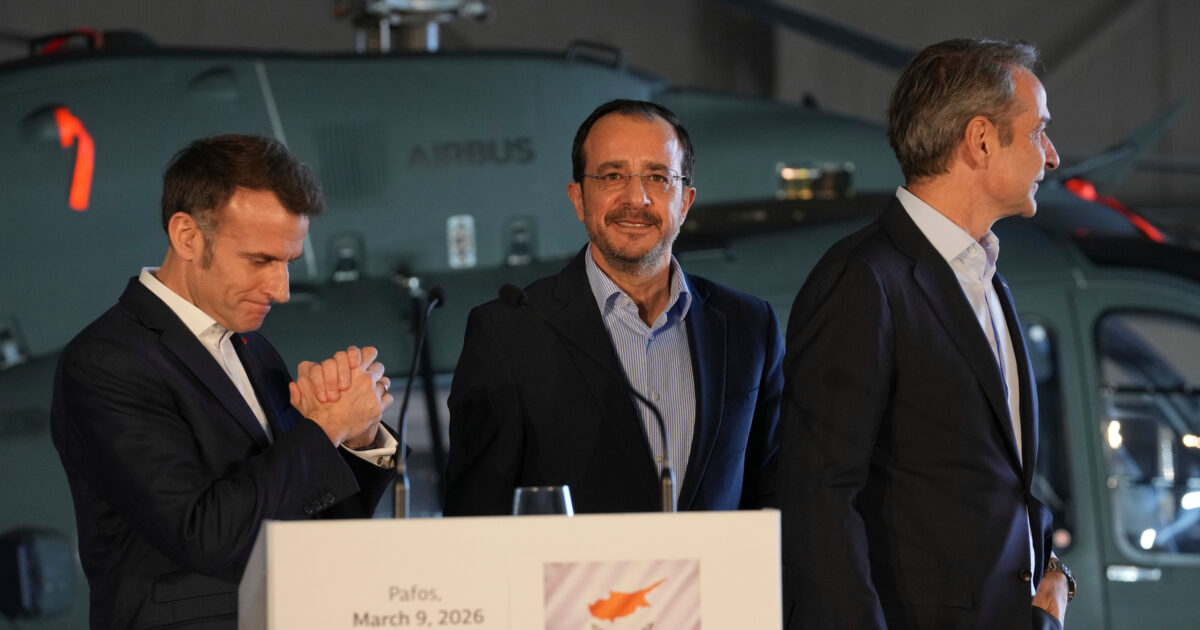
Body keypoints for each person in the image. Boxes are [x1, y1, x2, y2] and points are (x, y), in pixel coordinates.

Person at [779, 39, 1074, 629]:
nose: (1052, 155)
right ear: (981, 139)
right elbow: (819, 502)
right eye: (1039, 131)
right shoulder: (863, 279)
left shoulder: (985, 277)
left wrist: (1047, 578)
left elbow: (984, 480)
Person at [50, 134, 399, 629]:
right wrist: (325, 429)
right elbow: (202, 535)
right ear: (187, 236)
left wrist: (357, 438)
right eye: (260, 260)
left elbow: (309, 521)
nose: (281, 290)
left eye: (288, 263)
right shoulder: (107, 361)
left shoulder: (253, 348)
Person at [444, 99, 783, 515]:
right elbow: (475, 517)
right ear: (578, 199)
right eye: (612, 176)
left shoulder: (750, 327)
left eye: (657, 177)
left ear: (685, 202)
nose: (636, 198)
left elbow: (775, 494)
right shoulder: (508, 333)